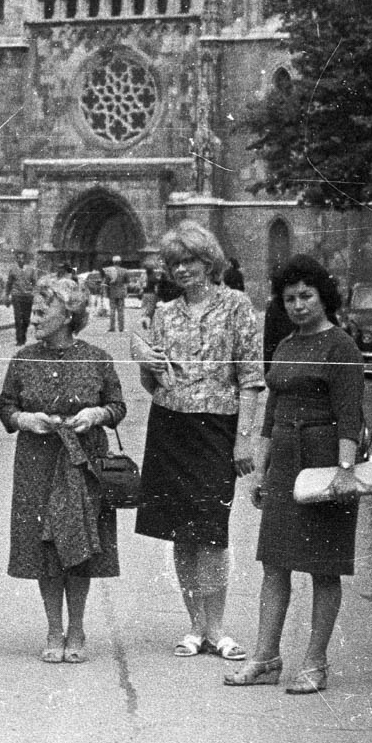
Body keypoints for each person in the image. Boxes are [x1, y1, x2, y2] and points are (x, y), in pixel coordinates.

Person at [227, 255, 363, 695]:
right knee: (275, 564)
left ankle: (315, 663)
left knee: (323, 568)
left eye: (306, 296)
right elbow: (270, 416)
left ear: (324, 296)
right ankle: (265, 657)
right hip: (285, 463)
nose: (298, 305)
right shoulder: (285, 345)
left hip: (325, 464)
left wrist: (345, 472)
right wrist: (261, 473)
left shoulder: (341, 347)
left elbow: (350, 416)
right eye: (289, 299)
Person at [131, 221, 263, 662]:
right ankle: (194, 627)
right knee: (181, 532)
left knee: (212, 531)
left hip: (216, 428)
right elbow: (153, 384)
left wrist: (244, 440)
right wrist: (146, 365)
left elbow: (251, 379)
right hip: (170, 426)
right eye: (174, 264)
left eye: (189, 261)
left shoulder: (237, 305)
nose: (182, 270)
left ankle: (217, 627)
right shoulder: (165, 314)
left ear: (209, 262)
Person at [0, 274, 126, 664]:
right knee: (45, 546)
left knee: (79, 541)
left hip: (83, 459)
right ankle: (55, 628)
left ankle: (78, 627)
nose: (33, 319)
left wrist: (97, 414)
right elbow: (5, 407)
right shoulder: (23, 359)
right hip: (37, 460)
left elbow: (118, 406)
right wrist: (24, 419)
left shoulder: (97, 357)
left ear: (68, 315)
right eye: (34, 312)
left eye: (42, 312)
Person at [3, 249, 40, 346]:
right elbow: (9, 283)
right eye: (18, 258)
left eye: (22, 258)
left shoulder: (31, 270)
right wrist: (6, 295)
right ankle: (19, 340)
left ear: (25, 259)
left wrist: (35, 295)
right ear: (16, 259)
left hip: (28, 297)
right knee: (18, 318)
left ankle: (23, 336)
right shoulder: (13, 270)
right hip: (16, 296)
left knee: (26, 319)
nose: (20, 260)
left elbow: (35, 284)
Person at [102, 255, 129, 333]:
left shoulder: (109, 271)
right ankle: (121, 328)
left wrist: (105, 292)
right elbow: (127, 282)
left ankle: (112, 327)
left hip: (112, 293)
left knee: (112, 310)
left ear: (113, 262)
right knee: (121, 311)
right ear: (120, 262)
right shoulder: (124, 271)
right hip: (121, 293)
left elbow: (106, 283)